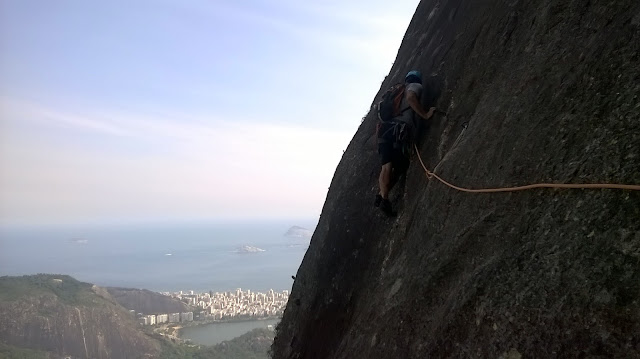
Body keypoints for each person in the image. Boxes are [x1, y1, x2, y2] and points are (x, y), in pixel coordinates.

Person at [375, 70, 436, 216]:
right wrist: (425, 115)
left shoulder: (395, 91)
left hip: (384, 130)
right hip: (398, 131)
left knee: (386, 166)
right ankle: (383, 198)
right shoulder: (414, 86)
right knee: (400, 166)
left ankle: (381, 195)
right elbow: (410, 98)